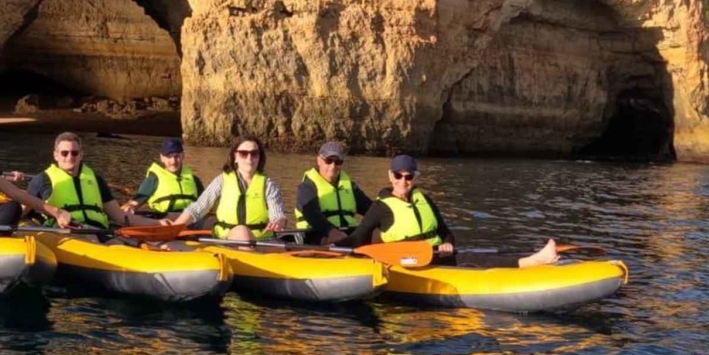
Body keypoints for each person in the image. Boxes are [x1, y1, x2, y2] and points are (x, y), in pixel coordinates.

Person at [337, 154, 558, 268]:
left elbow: (445, 231)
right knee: (472, 259)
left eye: (409, 176)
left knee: (476, 255)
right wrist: (331, 249)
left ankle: (532, 259)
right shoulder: (380, 207)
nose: (403, 182)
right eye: (398, 176)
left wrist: (448, 243)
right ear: (390, 176)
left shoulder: (424, 200)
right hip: (410, 263)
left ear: (414, 178)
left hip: (437, 255)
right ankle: (533, 261)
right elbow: (358, 237)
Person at [0, 131, 156, 231]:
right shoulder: (41, 180)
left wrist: (158, 224)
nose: (69, 157)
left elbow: (119, 216)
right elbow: (22, 211)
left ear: (81, 155)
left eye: (74, 153)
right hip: (66, 232)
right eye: (64, 153)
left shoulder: (96, 180)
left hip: (99, 232)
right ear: (56, 155)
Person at [163, 137, 287, 242]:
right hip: (227, 240)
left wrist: (279, 221)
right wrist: (174, 228)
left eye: (254, 154)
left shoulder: (269, 185)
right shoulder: (221, 180)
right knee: (241, 231)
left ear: (260, 157)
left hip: (262, 241)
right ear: (235, 157)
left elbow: (277, 214)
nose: (249, 158)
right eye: (244, 153)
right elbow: (198, 208)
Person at [294, 141, 372, 246]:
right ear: (319, 161)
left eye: (338, 162)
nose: (333, 166)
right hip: (316, 236)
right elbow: (311, 214)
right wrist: (331, 232)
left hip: (347, 234)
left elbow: (370, 209)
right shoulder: (307, 187)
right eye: (328, 161)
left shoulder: (350, 186)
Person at [128, 138, 204, 220]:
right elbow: (135, 203)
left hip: (190, 219)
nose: (173, 161)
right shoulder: (153, 179)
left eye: (176, 156)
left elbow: (206, 203)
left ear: (183, 155)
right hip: (163, 219)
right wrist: (130, 208)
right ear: (162, 158)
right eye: (169, 157)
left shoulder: (194, 180)